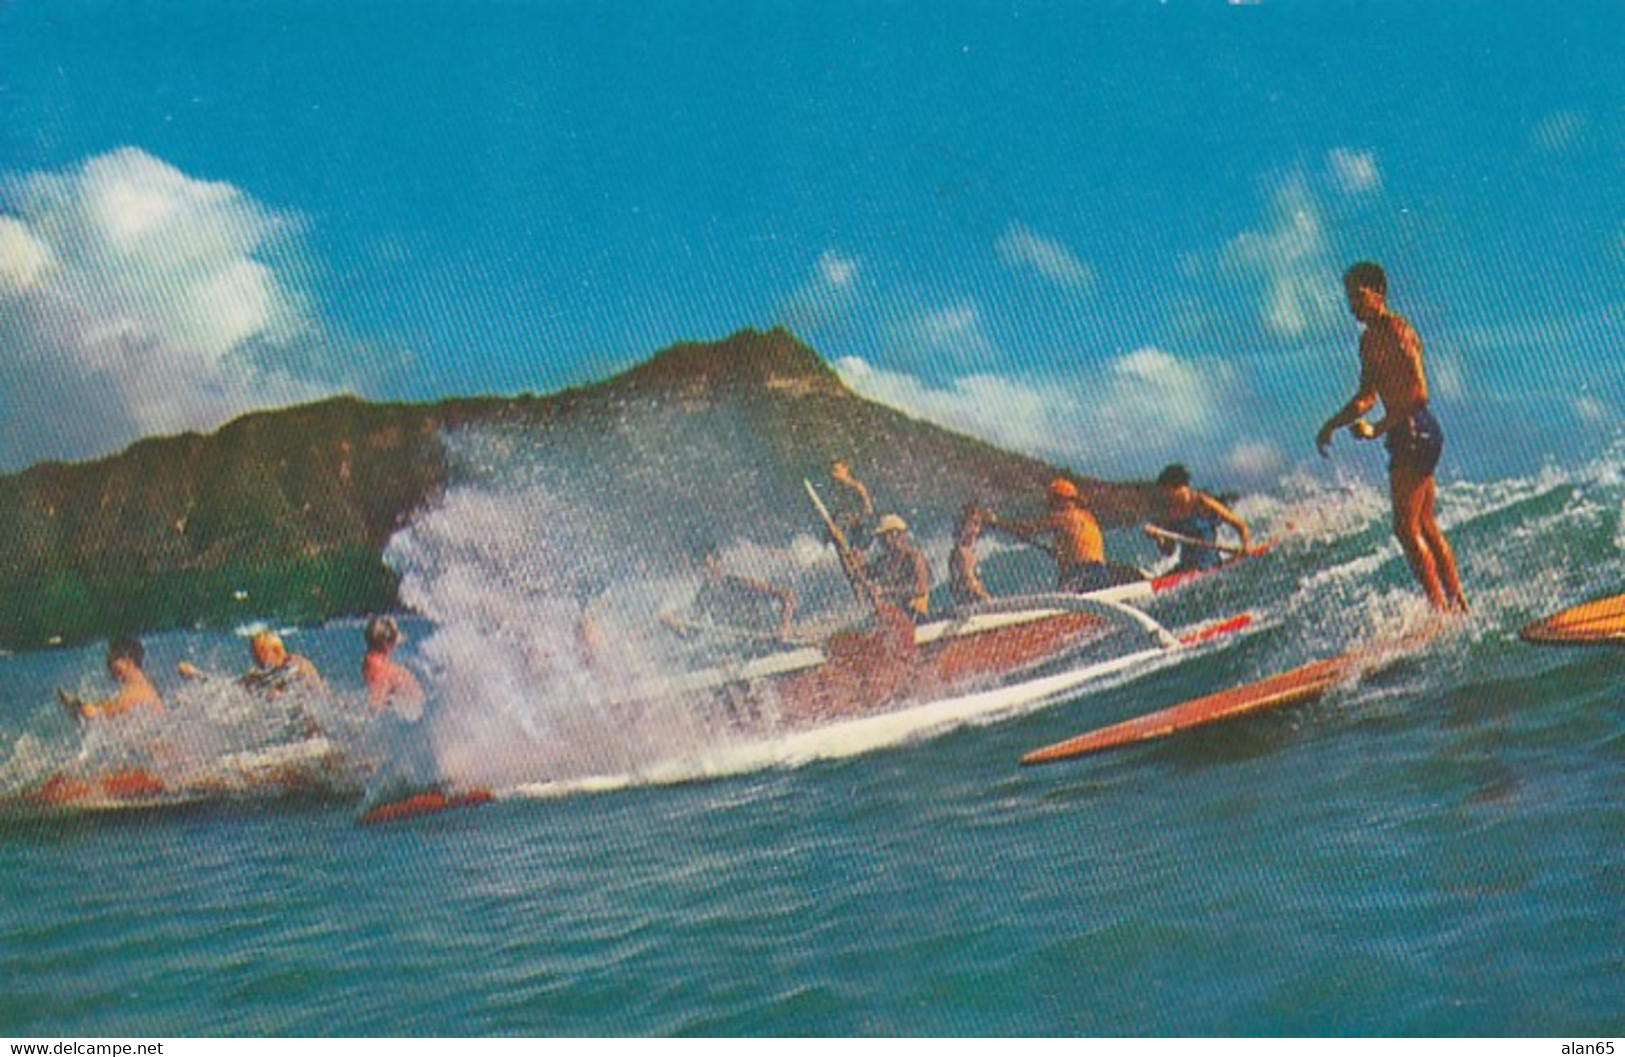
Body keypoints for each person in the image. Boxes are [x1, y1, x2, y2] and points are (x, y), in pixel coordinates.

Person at [1316, 261, 1467, 613]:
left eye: (1358, 295)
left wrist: (1378, 428)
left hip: (1415, 428)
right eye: (1348, 296)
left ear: (1378, 294)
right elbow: (1366, 396)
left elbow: (1419, 393)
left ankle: (1440, 612)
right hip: (1407, 431)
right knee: (1425, 524)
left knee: (1405, 528)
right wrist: (1332, 424)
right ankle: (1458, 605)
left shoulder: (1398, 330)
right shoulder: (1368, 341)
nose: (1352, 303)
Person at [988, 478, 1135, 594]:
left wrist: (997, 523)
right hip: (1101, 573)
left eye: (1051, 500)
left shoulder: (1061, 517)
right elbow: (1077, 544)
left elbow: (1027, 530)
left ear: (1060, 500)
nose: (1048, 505)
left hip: (1081, 575)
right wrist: (1060, 553)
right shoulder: (1088, 517)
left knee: (1062, 608)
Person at [179, 631, 328, 737]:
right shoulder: (267, 673)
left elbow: (303, 695)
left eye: (260, 657)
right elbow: (229, 686)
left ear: (276, 651)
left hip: (322, 724)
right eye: (255, 657)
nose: (258, 663)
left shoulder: (298, 665)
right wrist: (197, 675)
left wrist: (275, 695)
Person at [666, 542, 798, 642]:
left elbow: (788, 596)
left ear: (720, 563)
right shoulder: (705, 595)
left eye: (710, 567)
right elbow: (691, 635)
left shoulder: (739, 583)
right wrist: (673, 626)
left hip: (767, 637)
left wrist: (783, 628)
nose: (708, 573)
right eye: (704, 569)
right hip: (742, 645)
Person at [1146, 464, 1254, 574]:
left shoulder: (1201, 502)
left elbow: (1240, 525)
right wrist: (1158, 537)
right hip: (1186, 568)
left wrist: (1246, 545)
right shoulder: (1169, 513)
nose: (1166, 498)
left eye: (1168, 492)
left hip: (1209, 566)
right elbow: (1169, 551)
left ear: (1179, 488)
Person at [57, 636, 163, 721]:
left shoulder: (133, 695)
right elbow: (106, 706)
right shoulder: (144, 688)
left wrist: (75, 706)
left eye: (113, 659)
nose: (108, 665)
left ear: (129, 662)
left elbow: (95, 714)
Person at [868, 514, 932, 621]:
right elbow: (862, 573)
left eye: (883, 537)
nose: (881, 543)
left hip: (916, 615)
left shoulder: (914, 557)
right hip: (897, 615)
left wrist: (885, 592)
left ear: (895, 535)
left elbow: (921, 588)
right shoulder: (885, 561)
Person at [362, 615, 426, 714]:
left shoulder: (375, 664)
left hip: (414, 705)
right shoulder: (380, 665)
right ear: (389, 644)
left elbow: (376, 703)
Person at [948, 503, 993, 609]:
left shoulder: (965, 551)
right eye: (974, 524)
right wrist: (988, 599)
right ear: (964, 525)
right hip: (970, 608)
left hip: (967, 606)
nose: (976, 530)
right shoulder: (962, 553)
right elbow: (970, 582)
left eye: (978, 524)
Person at [829, 460, 876, 551]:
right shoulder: (840, 489)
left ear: (846, 470)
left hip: (862, 525)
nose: (833, 475)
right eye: (831, 471)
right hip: (851, 524)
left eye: (836, 471)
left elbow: (869, 509)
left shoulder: (857, 487)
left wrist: (857, 518)